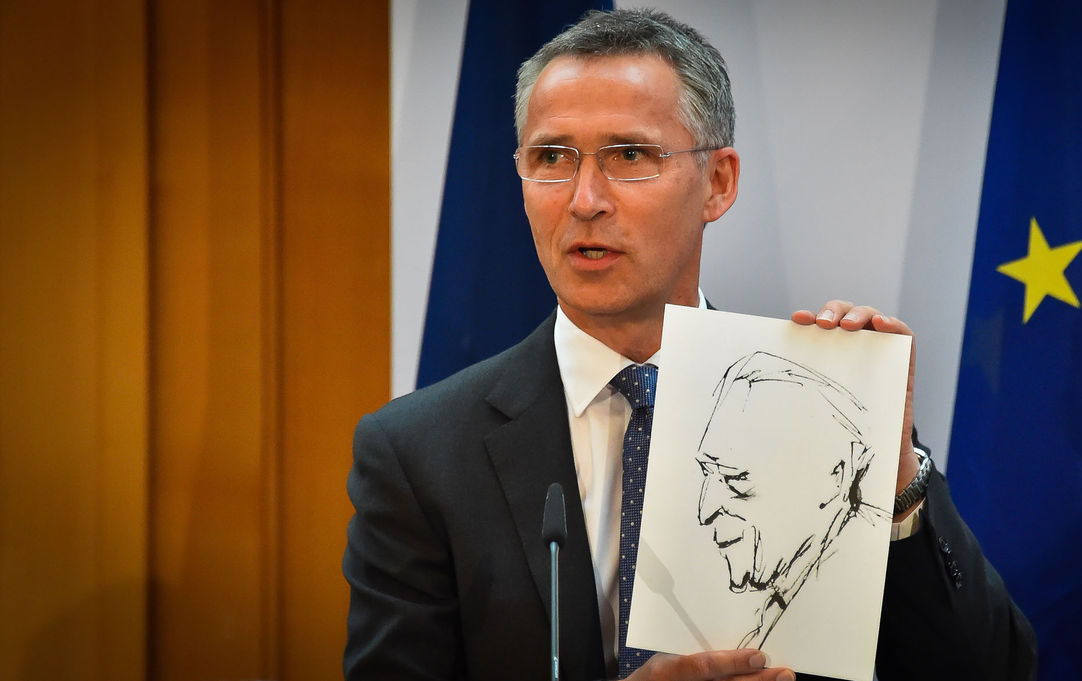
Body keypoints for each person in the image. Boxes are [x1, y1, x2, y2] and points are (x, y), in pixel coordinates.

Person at [343, 8, 1036, 681]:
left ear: (719, 182)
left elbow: (995, 671)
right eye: (552, 156)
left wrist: (894, 488)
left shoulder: (821, 416)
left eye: (629, 154)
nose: (584, 199)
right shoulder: (419, 454)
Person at [695, 352, 880, 650]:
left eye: (738, 479)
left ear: (836, 475)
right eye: (707, 472)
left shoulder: (870, 578)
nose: (705, 511)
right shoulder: (780, 600)